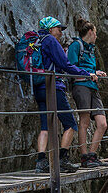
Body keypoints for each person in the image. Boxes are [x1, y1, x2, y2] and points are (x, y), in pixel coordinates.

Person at [32, 16, 87, 173]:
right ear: (50, 29)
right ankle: (62, 159)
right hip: (53, 88)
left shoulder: (36, 41)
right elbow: (65, 64)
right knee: (70, 124)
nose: (61, 33)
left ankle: (41, 162)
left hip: (38, 88)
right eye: (59, 29)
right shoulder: (50, 40)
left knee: (45, 125)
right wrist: (85, 73)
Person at [67, 17, 108, 165]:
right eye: (95, 33)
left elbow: (86, 67)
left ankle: (92, 153)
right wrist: (88, 74)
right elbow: (71, 67)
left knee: (102, 123)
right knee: (84, 121)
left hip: (92, 86)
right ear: (90, 32)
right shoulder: (76, 46)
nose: (96, 36)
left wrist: (96, 72)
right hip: (81, 86)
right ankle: (85, 157)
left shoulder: (91, 49)